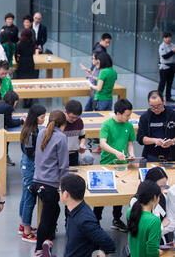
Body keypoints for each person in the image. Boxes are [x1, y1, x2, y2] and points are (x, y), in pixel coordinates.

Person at [61, 174, 116, 257]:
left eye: (59, 190)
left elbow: (109, 244)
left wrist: (100, 256)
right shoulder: (72, 210)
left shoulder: (84, 220)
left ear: (66, 194)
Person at [31, 110, 68, 257]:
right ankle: (39, 249)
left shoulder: (41, 133)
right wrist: (63, 186)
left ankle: (48, 239)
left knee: (53, 210)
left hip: (37, 181)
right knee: (46, 218)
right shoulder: (61, 137)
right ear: (63, 124)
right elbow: (63, 165)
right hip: (51, 184)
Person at [94, 99, 136, 230]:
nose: (129, 117)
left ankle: (117, 219)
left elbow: (130, 143)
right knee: (102, 194)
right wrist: (116, 152)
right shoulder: (107, 124)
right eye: (127, 115)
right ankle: (96, 220)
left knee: (120, 192)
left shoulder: (128, 125)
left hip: (122, 164)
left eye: (130, 115)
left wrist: (132, 154)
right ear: (118, 113)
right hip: (107, 164)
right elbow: (102, 143)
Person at [127, 180, 165, 257]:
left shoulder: (130, 212)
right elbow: (151, 251)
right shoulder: (154, 221)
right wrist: (159, 252)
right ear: (154, 197)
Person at [18, 104, 46, 243]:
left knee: (25, 195)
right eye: (42, 117)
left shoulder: (32, 129)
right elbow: (30, 153)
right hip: (29, 166)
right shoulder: (30, 132)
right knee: (30, 198)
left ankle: (23, 224)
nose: (44, 119)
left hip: (27, 165)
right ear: (35, 117)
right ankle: (27, 231)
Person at [132, 167, 175, 245]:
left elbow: (171, 223)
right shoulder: (136, 201)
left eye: (164, 186)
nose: (162, 190)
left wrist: (156, 229)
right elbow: (143, 233)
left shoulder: (162, 197)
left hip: (161, 243)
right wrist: (162, 225)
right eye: (159, 186)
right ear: (150, 184)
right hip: (144, 245)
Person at [137, 91, 175, 162]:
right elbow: (140, 138)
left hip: (171, 155)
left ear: (163, 102)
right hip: (151, 156)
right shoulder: (145, 117)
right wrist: (154, 140)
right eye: (153, 107)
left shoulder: (172, 115)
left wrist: (172, 141)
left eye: (159, 106)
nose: (156, 109)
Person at [63, 100, 87, 166]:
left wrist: (81, 144)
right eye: (71, 117)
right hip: (60, 155)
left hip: (74, 154)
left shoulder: (79, 122)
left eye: (76, 117)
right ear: (65, 112)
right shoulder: (59, 122)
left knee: (73, 173)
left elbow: (82, 136)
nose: (74, 120)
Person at [158, 32, 175, 102]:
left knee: (170, 83)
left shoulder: (173, 45)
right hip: (164, 67)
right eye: (166, 37)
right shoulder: (162, 46)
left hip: (172, 66)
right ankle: (159, 97)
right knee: (162, 83)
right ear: (164, 38)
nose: (168, 39)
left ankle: (168, 97)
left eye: (169, 37)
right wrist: (173, 51)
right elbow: (165, 56)